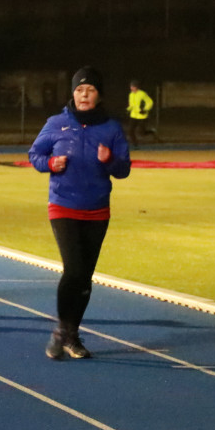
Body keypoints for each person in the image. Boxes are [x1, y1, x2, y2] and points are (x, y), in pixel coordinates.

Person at [29, 66, 131, 359]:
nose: (84, 95)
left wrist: (109, 159)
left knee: (85, 277)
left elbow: (123, 169)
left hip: (97, 208)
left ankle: (71, 336)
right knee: (72, 270)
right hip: (63, 205)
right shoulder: (56, 123)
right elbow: (35, 154)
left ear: (99, 95)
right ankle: (62, 330)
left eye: (90, 90)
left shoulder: (111, 128)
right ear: (72, 94)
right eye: (79, 90)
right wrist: (50, 164)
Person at [126, 79, 157, 148]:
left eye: (133, 86)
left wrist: (145, 110)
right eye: (131, 86)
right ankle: (135, 145)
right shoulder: (131, 94)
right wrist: (128, 109)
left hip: (142, 116)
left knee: (141, 133)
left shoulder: (142, 94)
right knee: (130, 131)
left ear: (137, 87)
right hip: (133, 115)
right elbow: (131, 105)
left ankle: (152, 131)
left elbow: (150, 102)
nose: (131, 88)